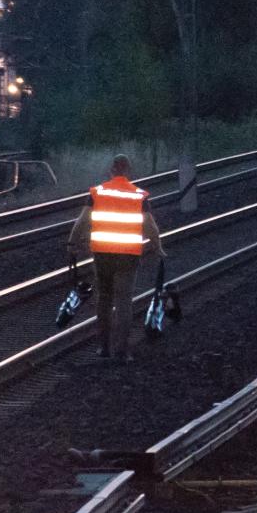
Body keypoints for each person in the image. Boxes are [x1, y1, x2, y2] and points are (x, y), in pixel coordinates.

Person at [66, 154, 165, 361]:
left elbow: (83, 220)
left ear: (111, 170)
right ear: (128, 171)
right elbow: (150, 226)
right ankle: (121, 351)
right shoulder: (138, 196)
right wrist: (157, 248)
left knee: (104, 299)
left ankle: (103, 347)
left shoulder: (98, 193)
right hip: (127, 255)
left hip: (102, 254)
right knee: (123, 301)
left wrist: (72, 244)